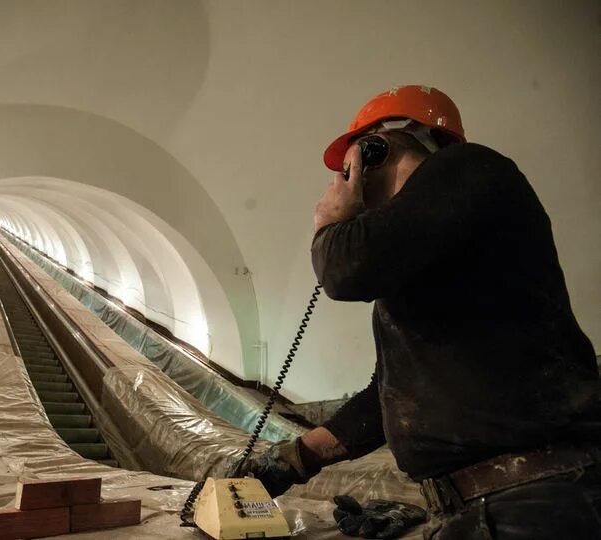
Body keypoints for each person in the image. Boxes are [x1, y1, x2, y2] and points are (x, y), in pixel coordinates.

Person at [242, 85, 600, 539]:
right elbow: (388, 395)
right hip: (497, 505)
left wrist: (330, 221)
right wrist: (290, 461)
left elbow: (345, 271)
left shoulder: (470, 168)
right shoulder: (435, 253)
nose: (342, 180)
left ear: (372, 152)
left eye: (347, 165)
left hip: (534, 502)